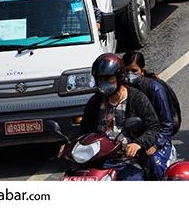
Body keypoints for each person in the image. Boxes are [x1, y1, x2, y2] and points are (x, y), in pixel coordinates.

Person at [76, 53, 160, 181]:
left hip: (127, 162)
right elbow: (84, 131)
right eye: (100, 79)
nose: (103, 83)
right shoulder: (95, 101)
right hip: (98, 162)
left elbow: (153, 128)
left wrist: (138, 144)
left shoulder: (137, 98)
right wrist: (70, 145)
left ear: (119, 77)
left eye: (108, 78)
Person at [121, 51, 178, 179]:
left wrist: (156, 144)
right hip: (128, 139)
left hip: (155, 139)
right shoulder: (121, 90)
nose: (130, 74)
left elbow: (166, 124)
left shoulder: (155, 89)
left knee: (153, 163)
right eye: (126, 70)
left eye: (134, 70)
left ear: (142, 71)